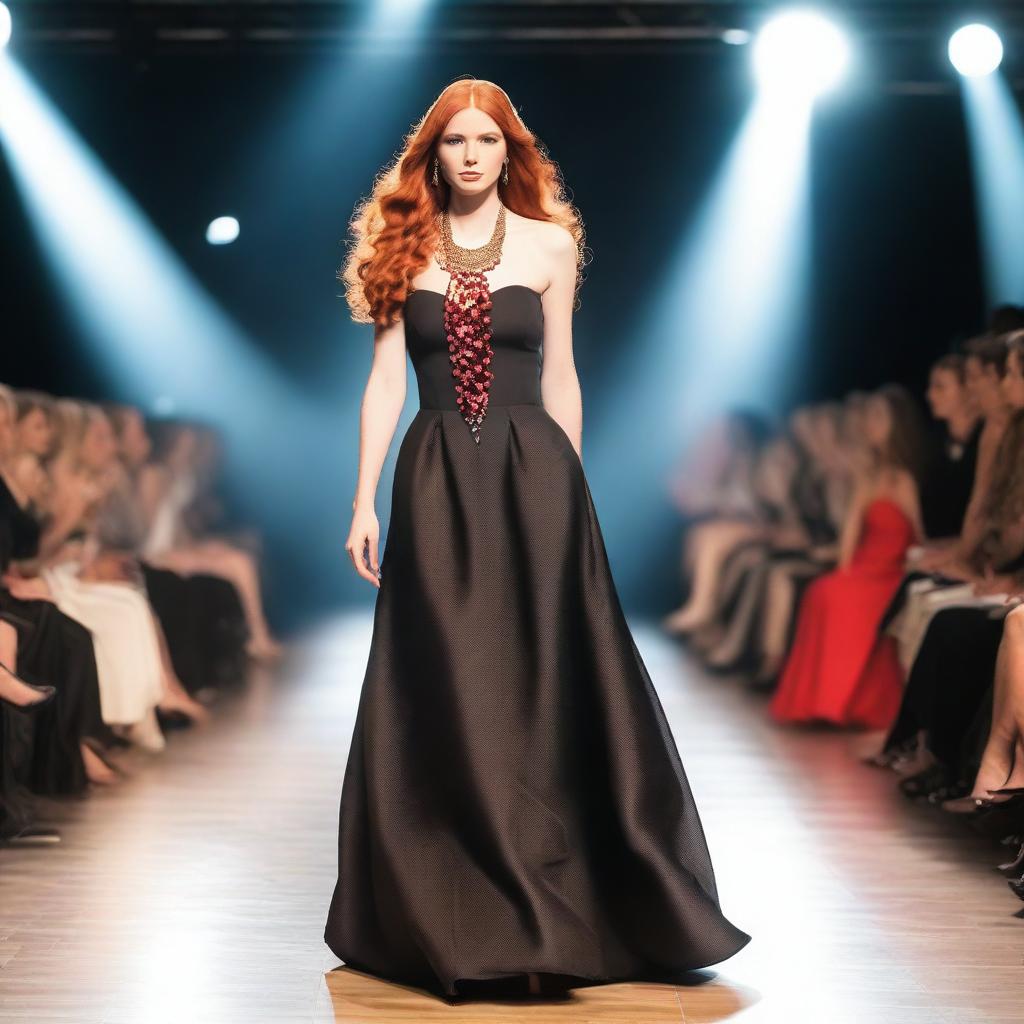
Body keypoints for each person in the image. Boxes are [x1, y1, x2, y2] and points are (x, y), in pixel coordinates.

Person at [323, 77, 751, 1002]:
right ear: (431, 154)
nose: (470, 154)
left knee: (543, 675)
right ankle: (455, 897)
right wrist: (361, 500)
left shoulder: (552, 245)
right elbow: (385, 386)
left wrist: (574, 489)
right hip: (436, 477)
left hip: (537, 478)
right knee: (447, 673)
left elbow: (562, 374)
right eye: (454, 141)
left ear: (509, 150)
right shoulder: (402, 246)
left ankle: (555, 894)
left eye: (486, 140)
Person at [769, 385, 927, 731]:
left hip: (890, 573)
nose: (870, 425)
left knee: (837, 596)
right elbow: (852, 535)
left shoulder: (904, 480)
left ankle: (847, 701)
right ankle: (820, 702)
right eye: (869, 417)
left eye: (878, 417)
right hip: (862, 569)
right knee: (824, 589)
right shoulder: (866, 478)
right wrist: (844, 568)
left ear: (896, 424)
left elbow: (918, 536)